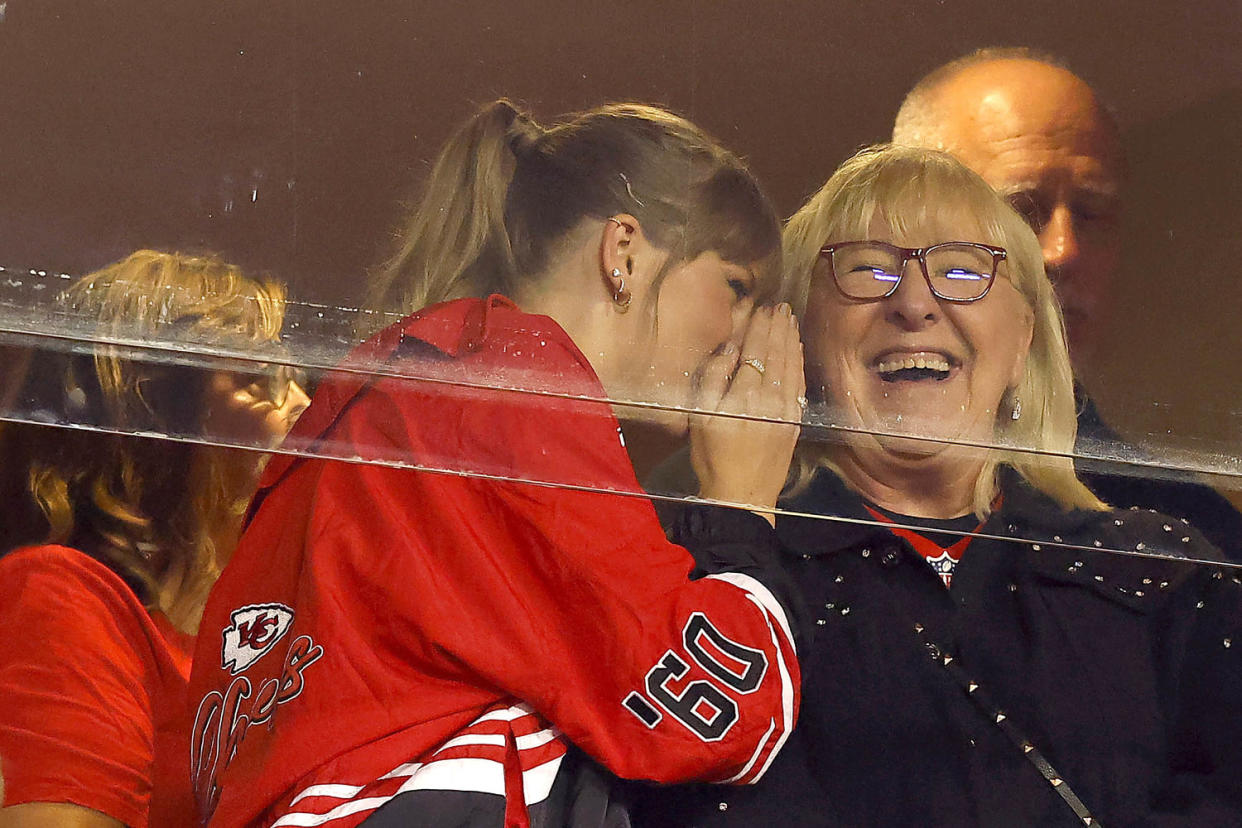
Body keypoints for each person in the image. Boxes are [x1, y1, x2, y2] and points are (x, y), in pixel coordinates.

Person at [185, 100, 806, 828]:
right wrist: (742, 503)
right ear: (625, 253)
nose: (745, 335)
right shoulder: (515, 387)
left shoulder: (392, 387)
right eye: (736, 288)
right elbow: (705, 714)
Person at [635, 145, 1242, 826]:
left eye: (962, 270)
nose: (915, 303)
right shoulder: (703, 574)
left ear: (1023, 343)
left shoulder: (1162, 574)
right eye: (868, 268)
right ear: (796, 338)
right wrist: (734, 528)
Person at [891, 46, 1242, 560]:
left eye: (1092, 213)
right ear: (897, 229)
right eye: (1021, 210)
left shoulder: (1190, 536)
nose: (1062, 250)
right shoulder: (782, 481)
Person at [0, 250, 308, 828]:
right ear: (157, 414)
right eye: (258, 380)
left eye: (297, 379)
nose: (304, 409)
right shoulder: (65, 597)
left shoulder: (254, 630)